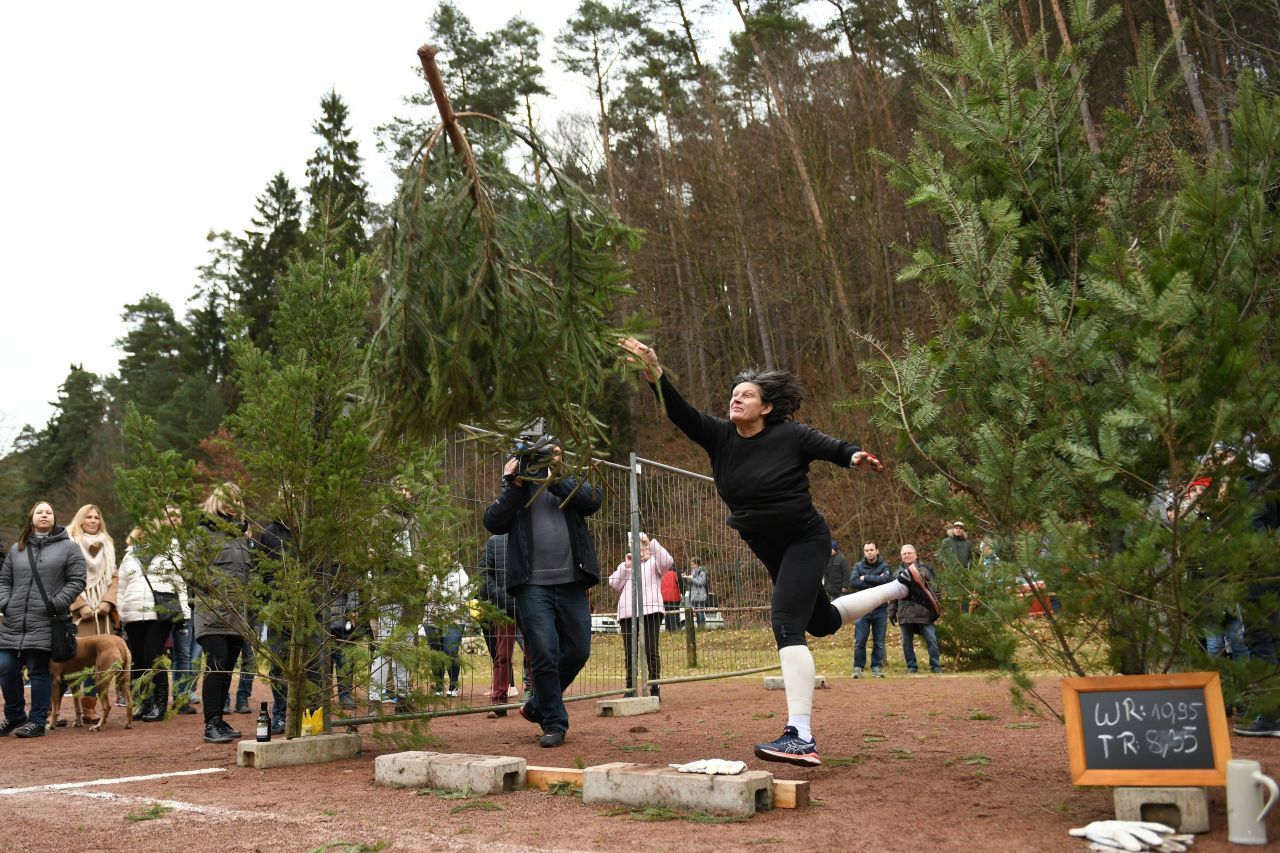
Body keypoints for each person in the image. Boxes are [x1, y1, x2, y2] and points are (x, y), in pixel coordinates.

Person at [622, 337, 939, 767]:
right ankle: (901, 588)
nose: (737, 397)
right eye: (735, 392)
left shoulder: (791, 435)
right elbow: (679, 411)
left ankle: (801, 735)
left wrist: (855, 457)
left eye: (747, 394)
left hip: (804, 539)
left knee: (786, 622)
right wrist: (655, 371)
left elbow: (834, 447)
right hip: (768, 547)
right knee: (822, 622)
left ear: (766, 407)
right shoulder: (719, 437)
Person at [483, 439, 602, 748]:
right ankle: (554, 722)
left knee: (578, 650)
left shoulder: (570, 480)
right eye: (535, 456)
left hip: (572, 581)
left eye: (548, 453)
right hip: (532, 585)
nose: (540, 460)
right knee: (545, 653)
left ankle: (537, 704)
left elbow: (592, 501)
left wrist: (556, 474)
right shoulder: (517, 488)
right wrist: (516, 483)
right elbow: (493, 521)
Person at [0, 501, 87, 738]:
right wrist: (5, 603)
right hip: (14, 621)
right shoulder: (17, 549)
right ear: (31, 518)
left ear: (54, 518)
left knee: (39, 671)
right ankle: (16, 715)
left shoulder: (69, 548)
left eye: (49, 512)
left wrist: (55, 602)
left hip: (46, 620)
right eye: (40, 512)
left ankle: (37, 721)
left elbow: (78, 580)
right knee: (5, 667)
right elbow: (4, 580)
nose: (45, 515)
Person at [192, 483, 255, 744]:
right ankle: (211, 724)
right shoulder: (203, 532)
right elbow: (191, 570)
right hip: (212, 611)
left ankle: (218, 719)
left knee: (228, 667)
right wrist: (218, 594)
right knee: (216, 664)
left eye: (237, 499)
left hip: (238, 615)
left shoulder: (242, 535)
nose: (233, 504)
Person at [119, 524, 189, 722]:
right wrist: (119, 611)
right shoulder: (129, 554)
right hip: (132, 613)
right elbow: (121, 585)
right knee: (139, 660)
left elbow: (180, 583)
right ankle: (144, 702)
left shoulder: (171, 551)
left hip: (160, 612)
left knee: (153, 656)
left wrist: (183, 613)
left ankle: (159, 705)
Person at [66, 503, 120, 724]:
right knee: (74, 661)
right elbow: (62, 578)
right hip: (79, 615)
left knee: (97, 664)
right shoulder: (68, 544)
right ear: (80, 519)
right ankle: (58, 710)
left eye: (96, 517)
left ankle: (90, 708)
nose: (92, 521)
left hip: (102, 614)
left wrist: (107, 602)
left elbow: (115, 577)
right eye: (88, 517)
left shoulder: (108, 544)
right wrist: (80, 605)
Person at [609, 532, 673, 698]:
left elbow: (668, 561)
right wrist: (627, 566)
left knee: (651, 650)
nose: (640, 548)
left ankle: (654, 688)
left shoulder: (655, 563)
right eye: (637, 544)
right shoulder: (627, 564)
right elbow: (614, 583)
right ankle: (630, 689)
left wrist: (650, 543)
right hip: (628, 614)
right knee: (630, 653)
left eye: (643, 544)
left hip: (651, 611)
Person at [478, 533, 518, 716]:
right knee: (502, 655)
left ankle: (538, 699)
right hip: (504, 608)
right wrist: (499, 594)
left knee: (537, 654)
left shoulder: (532, 535)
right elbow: (484, 574)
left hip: (532, 604)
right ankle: (499, 702)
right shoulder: (494, 542)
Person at [889, 545, 942, 674]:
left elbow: (936, 589)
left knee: (931, 640)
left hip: (925, 612)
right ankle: (912, 666)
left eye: (909, 553)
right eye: (904, 554)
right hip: (905, 613)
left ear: (916, 554)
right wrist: (892, 609)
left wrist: (936, 606)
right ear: (901, 556)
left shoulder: (926, 569)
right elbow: (893, 593)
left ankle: (935, 666)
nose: (907, 555)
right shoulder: (897, 573)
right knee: (907, 643)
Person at [425, 562, 469, 697]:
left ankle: (453, 684)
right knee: (436, 652)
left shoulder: (461, 574)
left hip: (454, 618)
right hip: (432, 617)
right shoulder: (427, 572)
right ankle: (438, 686)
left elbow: (466, 595)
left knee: (450, 651)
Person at [850, 542, 893, 678]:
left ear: (877, 551)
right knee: (860, 641)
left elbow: (887, 580)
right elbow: (854, 581)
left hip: (880, 609)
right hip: (862, 608)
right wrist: (877, 580)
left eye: (871, 550)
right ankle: (858, 668)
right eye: (866, 550)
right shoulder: (858, 566)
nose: (869, 552)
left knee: (879, 641)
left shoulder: (885, 566)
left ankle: (877, 668)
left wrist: (866, 578)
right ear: (864, 552)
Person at [682, 556, 709, 629]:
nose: (691, 566)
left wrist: (692, 578)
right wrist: (686, 578)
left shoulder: (702, 572)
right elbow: (691, 584)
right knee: (697, 614)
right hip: (694, 596)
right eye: (691, 564)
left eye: (692, 564)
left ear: (697, 564)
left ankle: (702, 628)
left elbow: (701, 583)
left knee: (700, 613)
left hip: (700, 596)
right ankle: (699, 628)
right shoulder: (692, 572)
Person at [660, 562, 682, 632]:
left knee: (667, 614)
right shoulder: (675, 573)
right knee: (674, 614)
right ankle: (675, 630)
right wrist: (683, 593)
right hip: (674, 597)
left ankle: (668, 629)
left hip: (664, 597)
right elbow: (681, 584)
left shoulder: (661, 573)